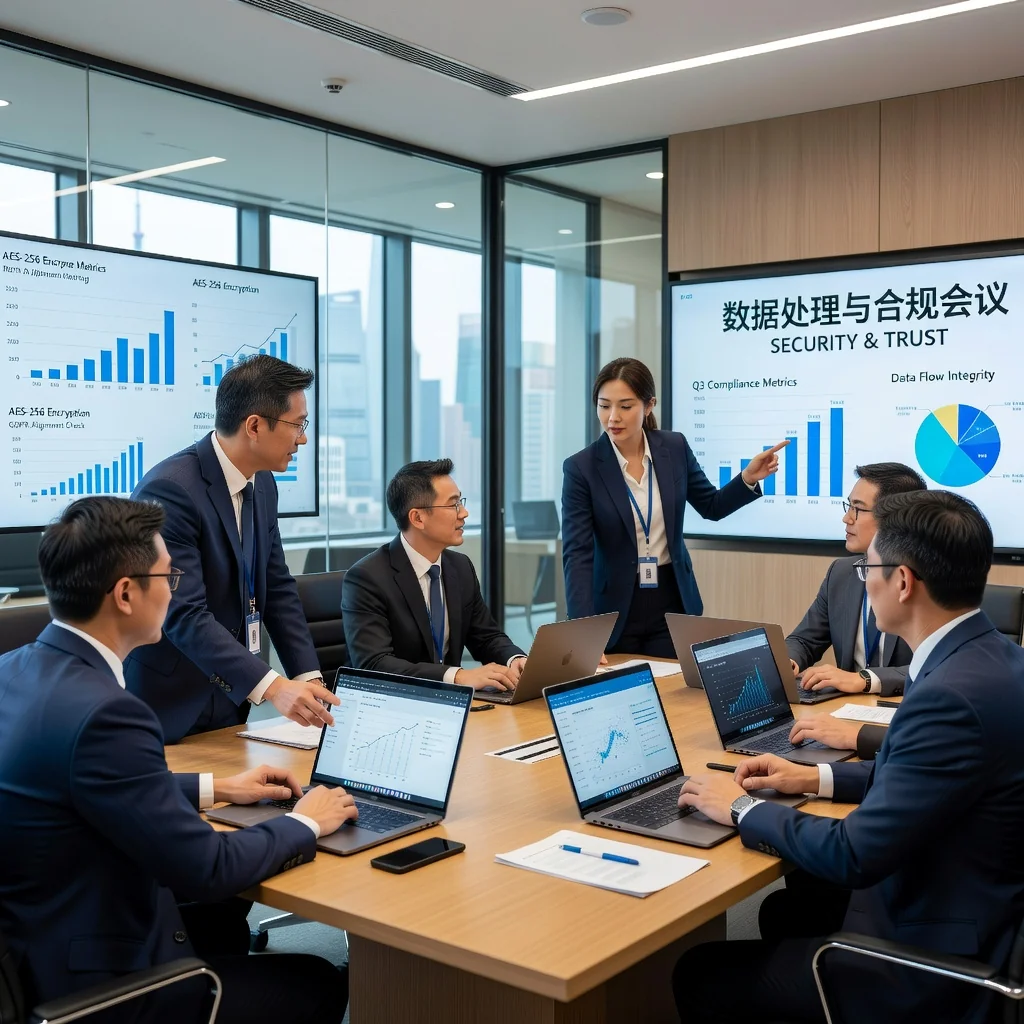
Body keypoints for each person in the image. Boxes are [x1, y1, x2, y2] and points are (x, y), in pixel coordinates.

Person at [0, 497, 359, 1024]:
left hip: (36, 941)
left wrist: (217, 788)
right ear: (126, 593)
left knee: (223, 921)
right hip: (100, 986)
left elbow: (77, 787)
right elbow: (207, 869)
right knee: (317, 982)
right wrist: (307, 821)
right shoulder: (109, 714)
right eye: (170, 574)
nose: (176, 588)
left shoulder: (14, 669)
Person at [673, 490, 1024, 1024]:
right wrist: (811, 778)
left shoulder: (948, 695)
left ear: (903, 582)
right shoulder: (994, 656)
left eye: (870, 568)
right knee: (787, 909)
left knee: (698, 972)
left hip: (935, 965)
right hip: (978, 902)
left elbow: (853, 853)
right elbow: (926, 776)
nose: (865, 578)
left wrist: (741, 808)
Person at [127, 355, 338, 743]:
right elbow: (184, 615)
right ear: (254, 426)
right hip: (168, 707)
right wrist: (275, 688)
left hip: (229, 700)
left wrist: (309, 679)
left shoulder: (264, 485)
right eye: (297, 424)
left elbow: (275, 586)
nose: (303, 438)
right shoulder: (172, 490)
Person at [561, 357, 784, 658]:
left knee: (677, 694)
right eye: (604, 405)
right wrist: (584, 631)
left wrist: (747, 478)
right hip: (613, 609)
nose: (613, 417)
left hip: (672, 601)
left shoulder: (674, 448)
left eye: (625, 406)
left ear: (649, 405)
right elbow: (577, 555)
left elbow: (711, 506)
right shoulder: (581, 468)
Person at [342, 459, 526, 690]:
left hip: (450, 706)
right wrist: (456, 676)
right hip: (391, 705)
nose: (464, 513)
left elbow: (486, 637)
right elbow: (374, 663)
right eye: (453, 505)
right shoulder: (367, 578)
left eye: (461, 502)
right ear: (418, 518)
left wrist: (515, 659)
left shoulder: (460, 567)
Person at [785, 462, 925, 758]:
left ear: (895, 520)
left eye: (858, 509)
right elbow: (804, 640)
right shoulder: (843, 573)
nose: (846, 518)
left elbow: (936, 667)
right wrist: (789, 660)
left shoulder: (927, 580)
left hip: (904, 730)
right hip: (842, 721)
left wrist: (864, 679)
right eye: (848, 506)